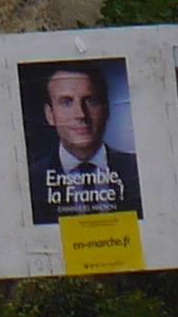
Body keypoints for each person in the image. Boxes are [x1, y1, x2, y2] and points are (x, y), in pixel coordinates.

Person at [25, 62, 141, 217]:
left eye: (91, 101)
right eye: (66, 102)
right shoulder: (31, 179)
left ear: (106, 109)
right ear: (50, 115)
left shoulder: (137, 169)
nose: (81, 114)